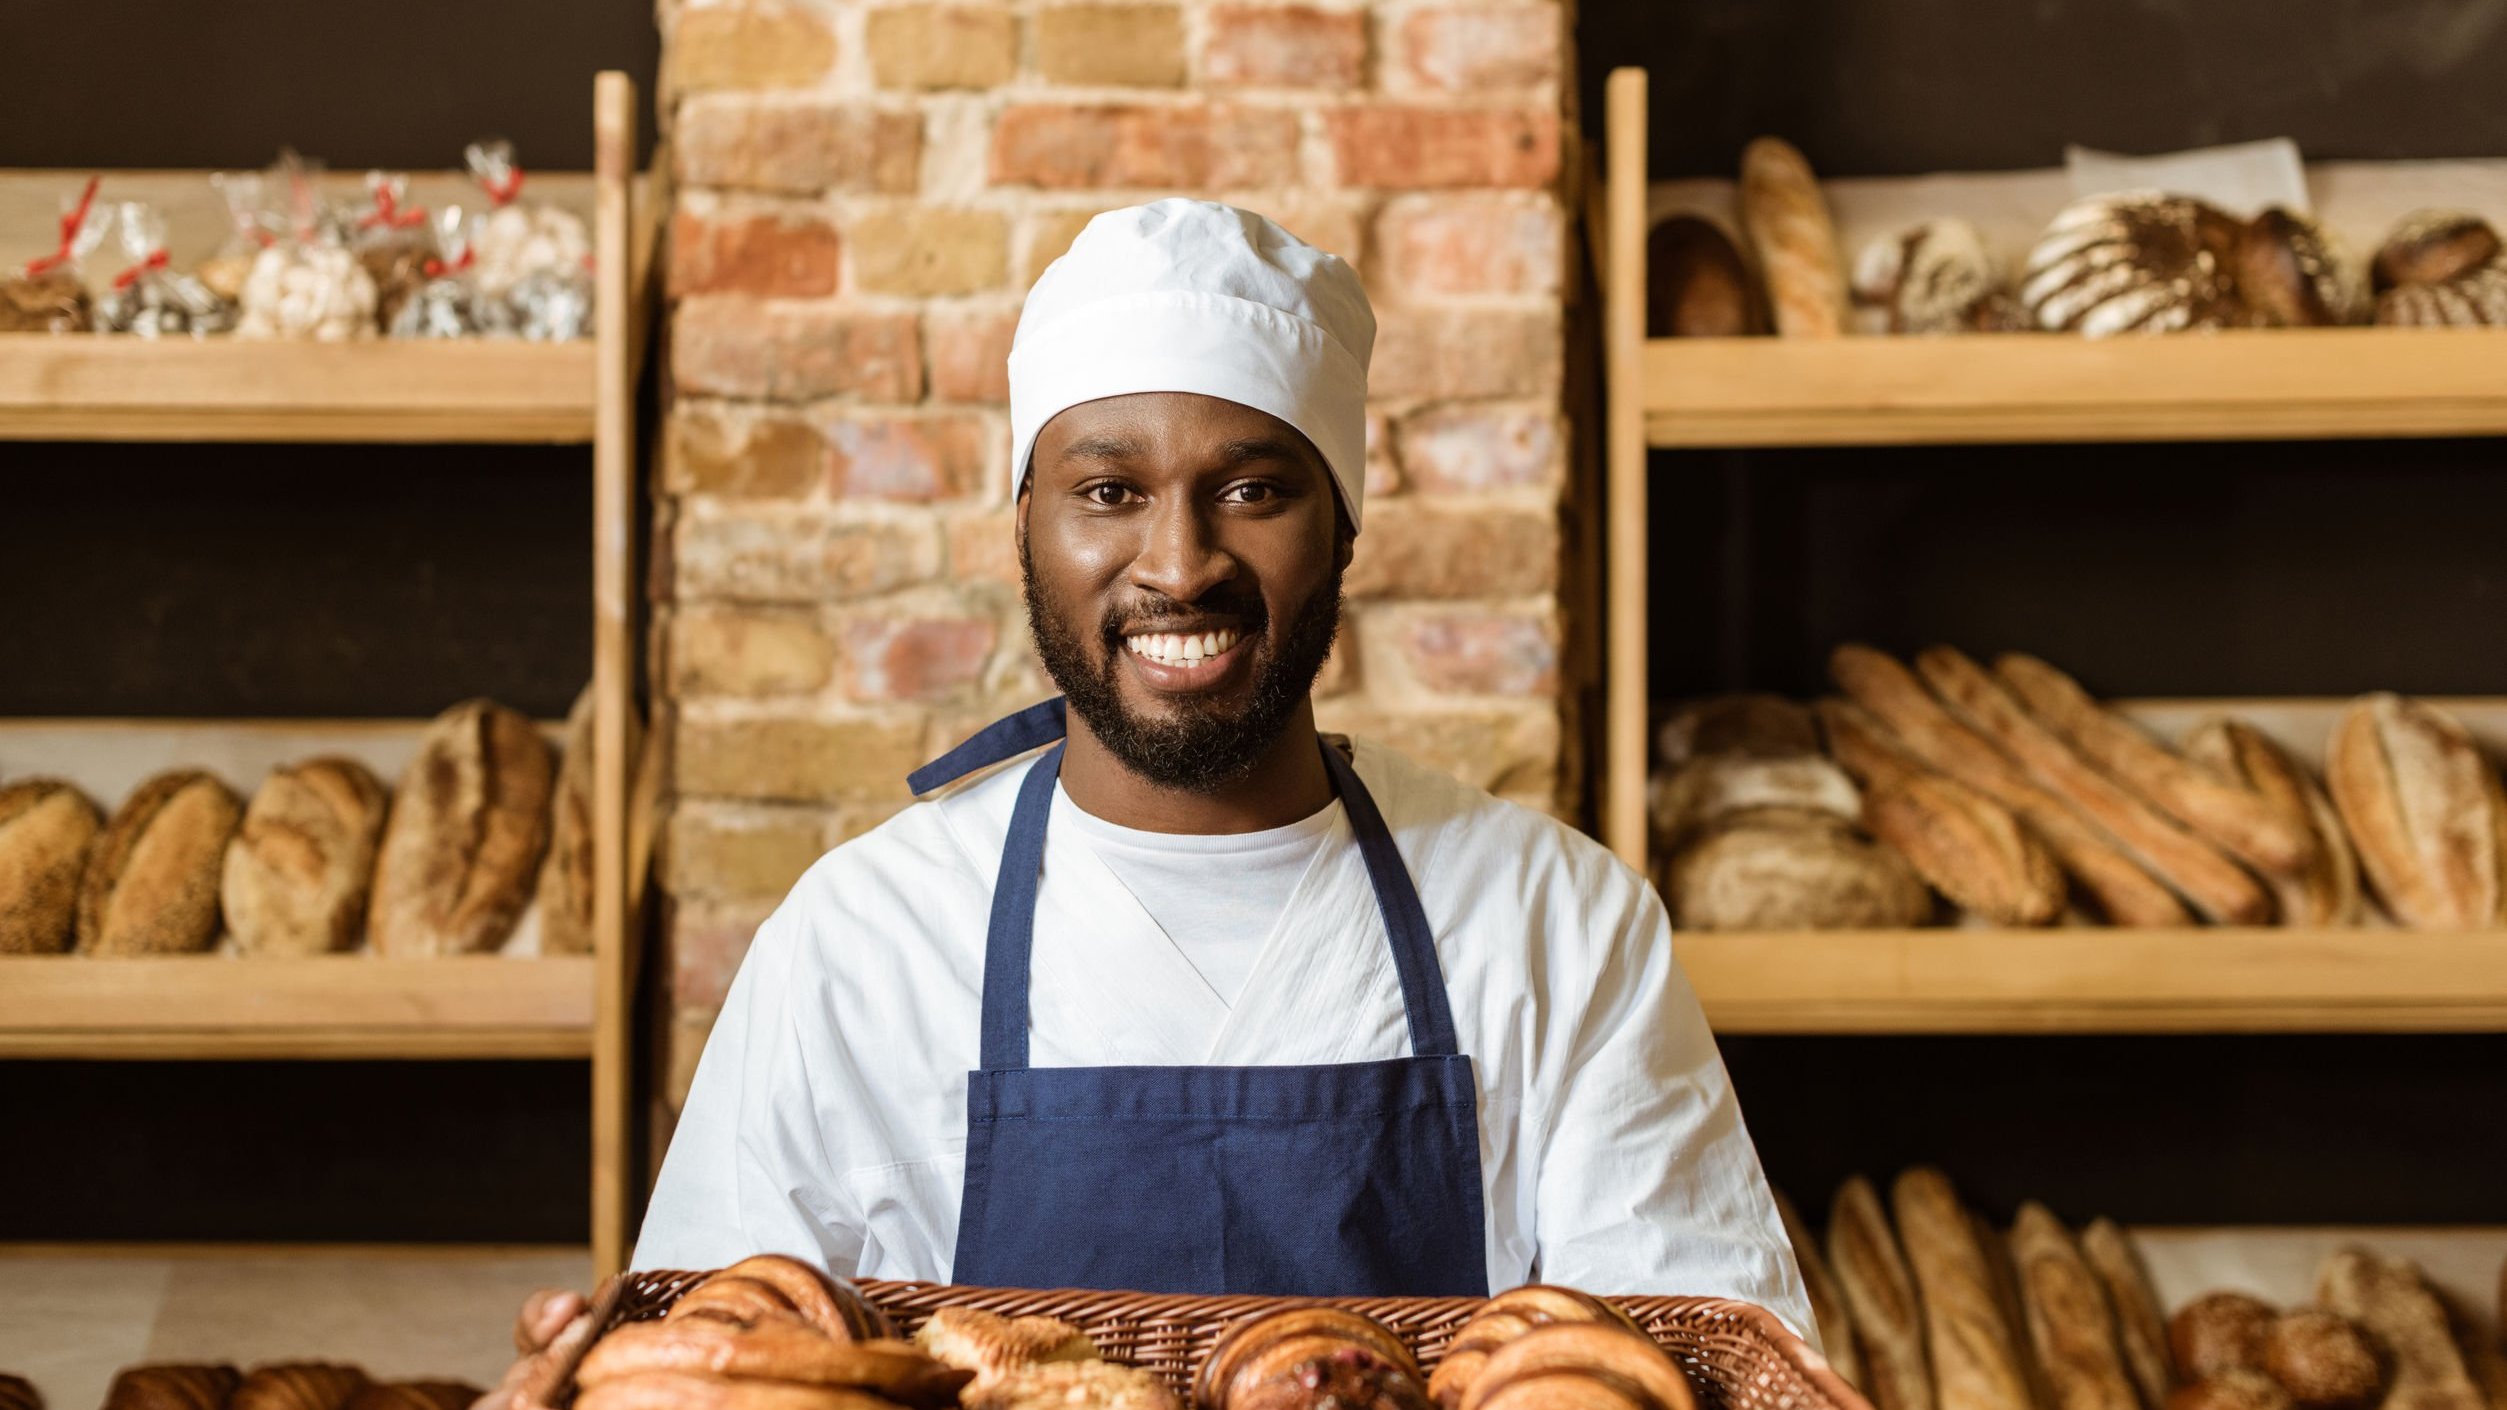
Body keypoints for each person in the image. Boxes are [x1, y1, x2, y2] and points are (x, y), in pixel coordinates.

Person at [532, 199, 1810, 1343]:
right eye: (1108, 492)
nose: (1178, 562)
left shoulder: (1556, 926)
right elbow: (710, 1367)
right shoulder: (863, 938)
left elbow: (1694, 1362)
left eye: (1253, 489)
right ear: (1022, 526)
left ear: (1345, 525)